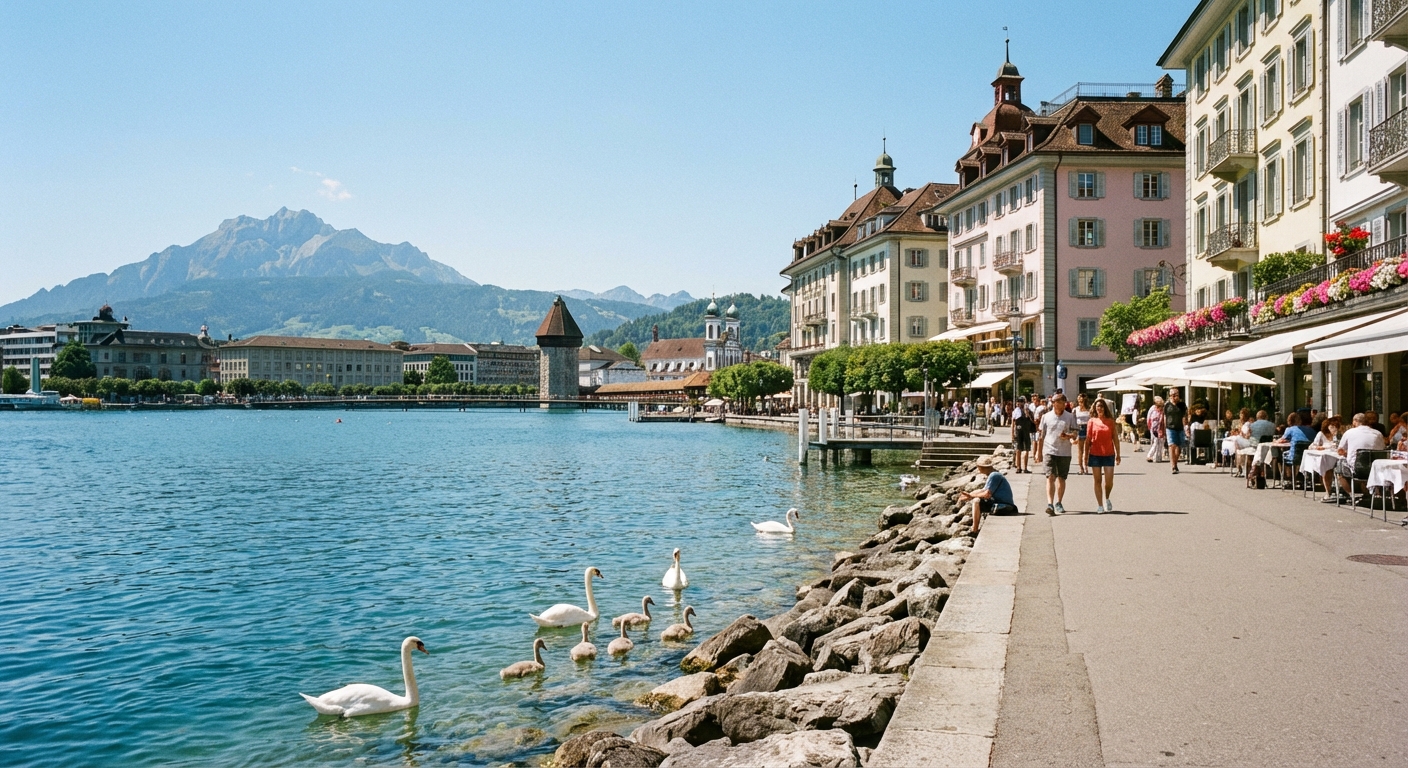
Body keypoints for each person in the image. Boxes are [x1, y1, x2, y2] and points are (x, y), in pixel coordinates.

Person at [1035, 393, 1078, 515]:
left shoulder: (1070, 417)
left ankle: (1059, 502)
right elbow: (1041, 436)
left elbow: (1075, 433)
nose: (1064, 404)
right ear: (1054, 403)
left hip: (1064, 452)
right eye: (1061, 402)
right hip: (1049, 450)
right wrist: (1039, 452)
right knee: (1050, 477)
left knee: (1061, 478)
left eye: (1065, 402)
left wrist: (1068, 436)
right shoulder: (1046, 417)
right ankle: (1050, 504)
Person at [1332, 413, 1387, 503]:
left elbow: (1340, 450)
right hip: (1375, 468)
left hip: (1358, 467)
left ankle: (1351, 495)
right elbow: (1382, 449)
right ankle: (1367, 494)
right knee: (1364, 465)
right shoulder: (1378, 433)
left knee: (1339, 467)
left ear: (1355, 421)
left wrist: (1348, 453)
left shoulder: (1349, 432)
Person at [960, 455, 1018, 535]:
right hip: (1003, 504)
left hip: (1004, 506)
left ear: (982, 467)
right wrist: (969, 494)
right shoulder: (994, 474)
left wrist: (971, 496)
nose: (978, 469)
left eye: (978, 467)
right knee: (976, 499)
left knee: (976, 501)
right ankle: (975, 528)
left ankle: (974, 529)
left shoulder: (994, 475)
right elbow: (983, 490)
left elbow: (987, 494)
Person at [1085, 397, 1120, 512]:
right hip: (1095, 453)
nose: (1099, 408)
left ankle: (1107, 498)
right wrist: (1085, 455)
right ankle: (1100, 505)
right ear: (1095, 408)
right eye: (1097, 406)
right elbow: (1088, 439)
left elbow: (1115, 437)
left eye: (1101, 406)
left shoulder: (1110, 421)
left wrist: (1118, 454)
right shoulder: (1091, 421)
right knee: (1097, 480)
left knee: (1109, 481)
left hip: (1109, 453)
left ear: (1104, 408)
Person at [1162, 388, 1189, 474]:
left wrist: (1186, 427)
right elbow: (1165, 417)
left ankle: (1175, 462)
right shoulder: (1167, 405)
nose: (1174, 397)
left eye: (1176, 395)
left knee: (1179, 447)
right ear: (1170, 396)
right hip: (1170, 428)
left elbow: (1184, 417)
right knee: (1171, 446)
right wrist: (1164, 428)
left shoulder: (1182, 405)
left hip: (1180, 428)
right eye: (1172, 395)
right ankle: (1173, 466)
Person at [1073, 393, 1092, 475]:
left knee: (1087, 450)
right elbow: (1073, 422)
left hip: (1087, 428)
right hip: (1079, 428)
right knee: (1080, 450)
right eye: (1079, 400)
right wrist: (1074, 433)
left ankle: (1086, 466)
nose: (1080, 401)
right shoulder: (1075, 409)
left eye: (1082, 400)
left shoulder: (1089, 409)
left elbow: (1092, 419)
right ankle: (1081, 468)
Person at [1146, 396, 1166, 463]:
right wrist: (1149, 425)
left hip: (1161, 427)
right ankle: (1150, 455)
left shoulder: (1163, 409)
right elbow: (1149, 417)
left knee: (1161, 442)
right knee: (1156, 441)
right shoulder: (1152, 408)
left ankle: (1158, 457)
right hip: (1154, 427)